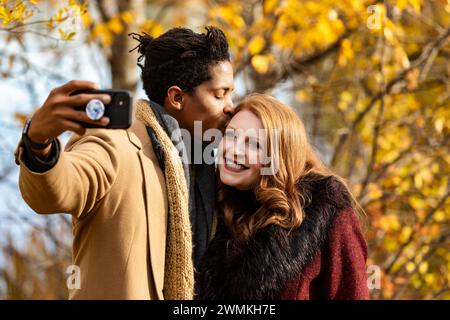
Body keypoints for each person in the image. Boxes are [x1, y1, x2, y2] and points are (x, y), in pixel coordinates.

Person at [14, 26, 234, 299]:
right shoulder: (116, 143)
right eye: (220, 94)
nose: (230, 105)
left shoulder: (215, 166)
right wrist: (38, 143)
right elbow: (60, 189)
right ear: (177, 98)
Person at [196, 94, 369, 300]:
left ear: (278, 156)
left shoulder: (326, 208)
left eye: (254, 145)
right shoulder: (216, 206)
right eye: (231, 135)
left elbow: (351, 293)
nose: (234, 149)